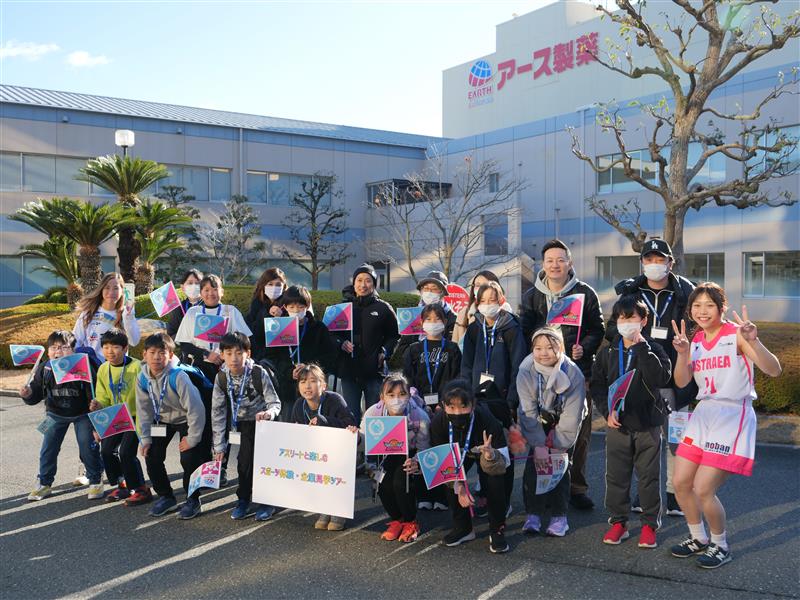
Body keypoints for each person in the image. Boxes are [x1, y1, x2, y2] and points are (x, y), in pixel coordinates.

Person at [670, 283, 782, 569]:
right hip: (704, 413)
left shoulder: (737, 334)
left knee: (703, 488)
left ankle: (720, 545)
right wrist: (682, 354)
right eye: (697, 305)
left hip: (732, 413)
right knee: (680, 482)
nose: (702, 311)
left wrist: (754, 341)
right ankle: (698, 538)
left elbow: (774, 369)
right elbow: (682, 382)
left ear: (722, 308)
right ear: (690, 310)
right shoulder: (695, 340)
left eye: (709, 305)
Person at [607, 238, 696, 516]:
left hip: (676, 375)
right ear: (642, 262)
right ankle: (644, 493)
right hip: (641, 376)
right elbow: (612, 329)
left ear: (671, 262)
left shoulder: (685, 292)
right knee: (645, 439)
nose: (654, 264)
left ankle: (674, 492)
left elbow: (698, 327)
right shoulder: (631, 292)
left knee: (676, 438)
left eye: (660, 259)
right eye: (649, 259)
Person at [519, 238, 604, 511]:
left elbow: (598, 329)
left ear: (570, 263)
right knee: (542, 433)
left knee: (578, 434)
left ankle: (576, 487)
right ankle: (544, 486)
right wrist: (544, 347)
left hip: (578, 374)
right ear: (543, 265)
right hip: (541, 376)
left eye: (560, 260)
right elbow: (524, 332)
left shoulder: (585, 293)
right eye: (550, 260)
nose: (555, 265)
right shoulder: (531, 296)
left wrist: (584, 347)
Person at [590, 296, 671, 549]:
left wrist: (643, 349)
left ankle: (649, 525)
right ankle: (619, 522)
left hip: (648, 424)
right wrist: (607, 412)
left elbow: (661, 378)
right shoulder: (607, 352)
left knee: (648, 477)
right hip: (618, 425)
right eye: (622, 318)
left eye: (632, 317)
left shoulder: (655, 349)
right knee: (616, 476)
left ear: (643, 321)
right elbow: (598, 385)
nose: (626, 323)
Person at [513, 327, 586, 537]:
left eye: (550, 348)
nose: (543, 353)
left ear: (560, 347)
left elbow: (572, 414)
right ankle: (533, 513)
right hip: (537, 419)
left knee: (559, 466)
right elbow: (527, 410)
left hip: (564, 420)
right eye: (538, 348)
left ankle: (559, 516)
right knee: (534, 467)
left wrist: (558, 444)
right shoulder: (526, 369)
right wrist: (538, 443)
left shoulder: (573, 373)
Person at [461, 280, 526, 515]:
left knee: (503, 451)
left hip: (503, 399)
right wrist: (467, 395)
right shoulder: (474, 328)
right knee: (483, 448)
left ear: (501, 301)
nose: (488, 304)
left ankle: (503, 501)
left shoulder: (511, 328)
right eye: (483, 300)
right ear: (477, 303)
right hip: (478, 399)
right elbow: (466, 365)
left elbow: (518, 366)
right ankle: (486, 495)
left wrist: (512, 401)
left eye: (493, 300)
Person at [20, 330, 104, 501]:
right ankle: (44, 483)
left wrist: (95, 407)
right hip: (54, 414)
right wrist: (27, 394)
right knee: (48, 448)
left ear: (73, 350)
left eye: (64, 347)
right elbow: (36, 394)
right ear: (48, 351)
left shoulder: (84, 365)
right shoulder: (45, 368)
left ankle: (95, 480)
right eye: (53, 348)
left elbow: (95, 391)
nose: (58, 351)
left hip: (82, 414)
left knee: (87, 447)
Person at [429, 379, 511, 553]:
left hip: (487, 453)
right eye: (451, 407)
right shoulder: (438, 423)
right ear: (443, 405)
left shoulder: (488, 419)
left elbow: (503, 464)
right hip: (458, 453)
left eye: (463, 406)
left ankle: (497, 528)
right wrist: (458, 485)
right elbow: (442, 462)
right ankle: (463, 528)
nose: (457, 412)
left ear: (473, 404)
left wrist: (490, 455)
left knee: (495, 481)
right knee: (450, 481)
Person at [136, 333, 207, 519]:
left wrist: (192, 439)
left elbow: (196, 409)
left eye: (162, 353)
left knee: (189, 458)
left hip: (186, 419)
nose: (156, 357)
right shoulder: (142, 378)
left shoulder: (179, 376)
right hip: (161, 420)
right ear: (144, 354)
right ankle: (166, 497)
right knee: (151, 455)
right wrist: (145, 438)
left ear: (170, 355)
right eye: (152, 352)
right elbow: (143, 410)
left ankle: (193, 499)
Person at [211, 333, 281, 521]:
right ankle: (243, 499)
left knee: (263, 463)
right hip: (239, 424)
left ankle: (267, 502)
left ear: (248, 353)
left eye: (239, 353)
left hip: (263, 423)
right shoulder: (221, 378)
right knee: (244, 463)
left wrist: (269, 414)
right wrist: (219, 446)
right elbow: (217, 412)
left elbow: (274, 402)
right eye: (228, 353)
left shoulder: (258, 373)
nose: (234, 358)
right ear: (222, 355)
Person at [358, 375, 430, 543]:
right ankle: (397, 519)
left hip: (409, 453)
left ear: (409, 396)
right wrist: (357, 438)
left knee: (401, 483)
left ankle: (411, 522)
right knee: (382, 484)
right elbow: (364, 441)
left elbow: (425, 446)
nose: (396, 399)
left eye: (402, 394)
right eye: (391, 395)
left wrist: (417, 461)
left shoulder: (419, 416)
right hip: (384, 453)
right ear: (382, 397)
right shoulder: (373, 413)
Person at [402, 303, 460, 511]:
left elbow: (456, 378)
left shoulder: (452, 348)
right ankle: (424, 494)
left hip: (444, 406)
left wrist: (444, 403)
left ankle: (442, 495)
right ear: (421, 323)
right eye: (429, 319)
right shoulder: (413, 349)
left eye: (437, 319)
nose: (433, 323)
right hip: (419, 406)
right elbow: (408, 380)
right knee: (421, 447)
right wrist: (418, 403)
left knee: (442, 447)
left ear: (445, 322)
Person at [289, 364, 356, 531]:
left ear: (323, 385)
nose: (307, 386)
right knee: (318, 476)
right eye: (303, 382)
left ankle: (339, 510)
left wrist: (324, 421)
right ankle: (325, 509)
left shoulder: (335, 399)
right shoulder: (299, 405)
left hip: (337, 452)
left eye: (313, 381)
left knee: (334, 475)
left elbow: (350, 424)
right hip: (314, 453)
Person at [91, 328, 151, 506]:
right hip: (114, 416)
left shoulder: (138, 367)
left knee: (126, 452)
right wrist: (98, 404)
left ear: (125, 348)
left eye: (115, 347)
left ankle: (140, 489)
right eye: (106, 347)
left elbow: (147, 394)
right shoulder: (103, 369)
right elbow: (103, 396)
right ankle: (122, 484)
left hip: (135, 416)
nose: (110, 351)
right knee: (106, 451)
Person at [334, 264, 399, 422]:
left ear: (374, 284)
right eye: (359, 280)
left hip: (374, 372)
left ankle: (372, 440)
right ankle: (354, 439)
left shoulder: (383, 308)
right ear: (354, 282)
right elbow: (331, 334)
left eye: (368, 280)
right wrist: (341, 343)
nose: (363, 285)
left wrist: (385, 351)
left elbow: (394, 336)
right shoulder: (342, 308)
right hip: (349, 372)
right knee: (350, 417)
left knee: (375, 417)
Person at [264, 285, 338, 422]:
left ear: (307, 306)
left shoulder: (318, 328)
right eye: (291, 307)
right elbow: (272, 358)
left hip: (314, 390)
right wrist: (289, 371)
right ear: (285, 307)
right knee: (289, 425)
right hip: (288, 389)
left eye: (300, 307)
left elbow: (330, 356)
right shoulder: (277, 328)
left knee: (314, 425)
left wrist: (309, 368)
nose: (296, 311)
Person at [175, 274, 253, 382]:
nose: (211, 293)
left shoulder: (231, 311)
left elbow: (245, 341)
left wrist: (225, 355)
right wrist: (206, 354)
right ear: (201, 293)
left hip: (225, 366)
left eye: (215, 289)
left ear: (222, 292)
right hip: (198, 366)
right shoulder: (192, 312)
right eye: (206, 290)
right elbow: (184, 344)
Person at [73, 272, 141, 364]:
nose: (111, 292)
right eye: (107, 287)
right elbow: (75, 340)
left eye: (116, 288)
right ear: (101, 289)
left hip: (117, 368)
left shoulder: (126, 314)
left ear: (122, 290)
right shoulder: (88, 313)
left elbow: (134, 341)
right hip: (92, 367)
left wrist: (129, 318)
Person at [394, 271, 457, 361]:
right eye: (426, 288)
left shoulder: (452, 318)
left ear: (442, 292)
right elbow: (403, 347)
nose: (429, 292)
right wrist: (417, 359)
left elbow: (455, 349)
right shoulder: (413, 315)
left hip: (443, 365)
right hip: (417, 366)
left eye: (434, 288)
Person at [452, 270, 512, 344]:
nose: (480, 289)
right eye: (477, 285)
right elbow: (455, 344)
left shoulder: (507, 316)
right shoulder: (464, 312)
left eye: (484, 285)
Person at [246, 267, 288, 362]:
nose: (274, 288)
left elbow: (289, 336)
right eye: (270, 284)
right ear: (263, 285)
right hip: (257, 355)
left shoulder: (289, 305)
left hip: (280, 357)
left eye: (278, 285)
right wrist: (265, 315)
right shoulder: (256, 304)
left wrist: (281, 318)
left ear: (284, 286)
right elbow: (252, 333)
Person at [166, 269, 204, 339]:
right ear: (182, 287)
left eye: (197, 283)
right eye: (190, 283)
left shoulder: (210, 305)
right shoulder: (178, 308)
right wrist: (183, 334)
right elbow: (171, 334)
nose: (194, 286)